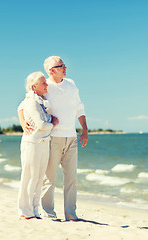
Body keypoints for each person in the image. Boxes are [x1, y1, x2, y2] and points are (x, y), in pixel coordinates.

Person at [19, 56, 88, 221]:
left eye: (64, 65)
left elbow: (80, 107)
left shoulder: (71, 83)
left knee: (71, 179)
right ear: (52, 71)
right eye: (61, 66)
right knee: (49, 179)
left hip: (71, 137)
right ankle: (49, 213)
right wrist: (23, 123)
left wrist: (84, 129)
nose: (65, 68)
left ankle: (71, 215)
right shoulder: (44, 86)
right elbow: (22, 105)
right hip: (52, 139)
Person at [17, 71, 59, 220]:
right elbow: (41, 125)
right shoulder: (31, 101)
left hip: (43, 143)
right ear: (34, 87)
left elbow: (19, 109)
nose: (46, 84)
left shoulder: (41, 100)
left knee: (39, 177)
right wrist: (53, 124)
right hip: (32, 144)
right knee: (29, 177)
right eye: (43, 83)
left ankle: (34, 209)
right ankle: (25, 210)